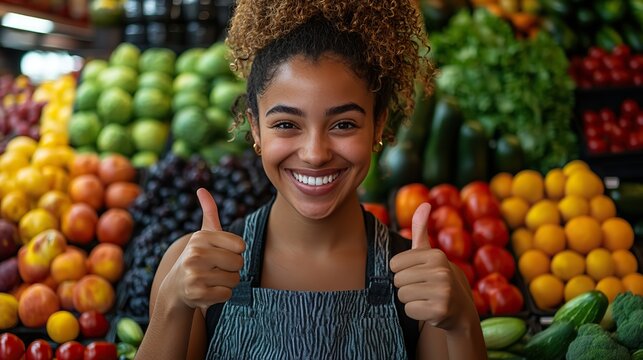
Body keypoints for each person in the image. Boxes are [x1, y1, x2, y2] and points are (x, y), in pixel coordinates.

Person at [136, 1, 486, 359]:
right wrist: (172, 303)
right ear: (255, 128)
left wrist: (462, 324)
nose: (315, 153)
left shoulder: (426, 287)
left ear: (378, 125)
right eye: (287, 124)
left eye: (344, 124)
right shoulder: (191, 269)